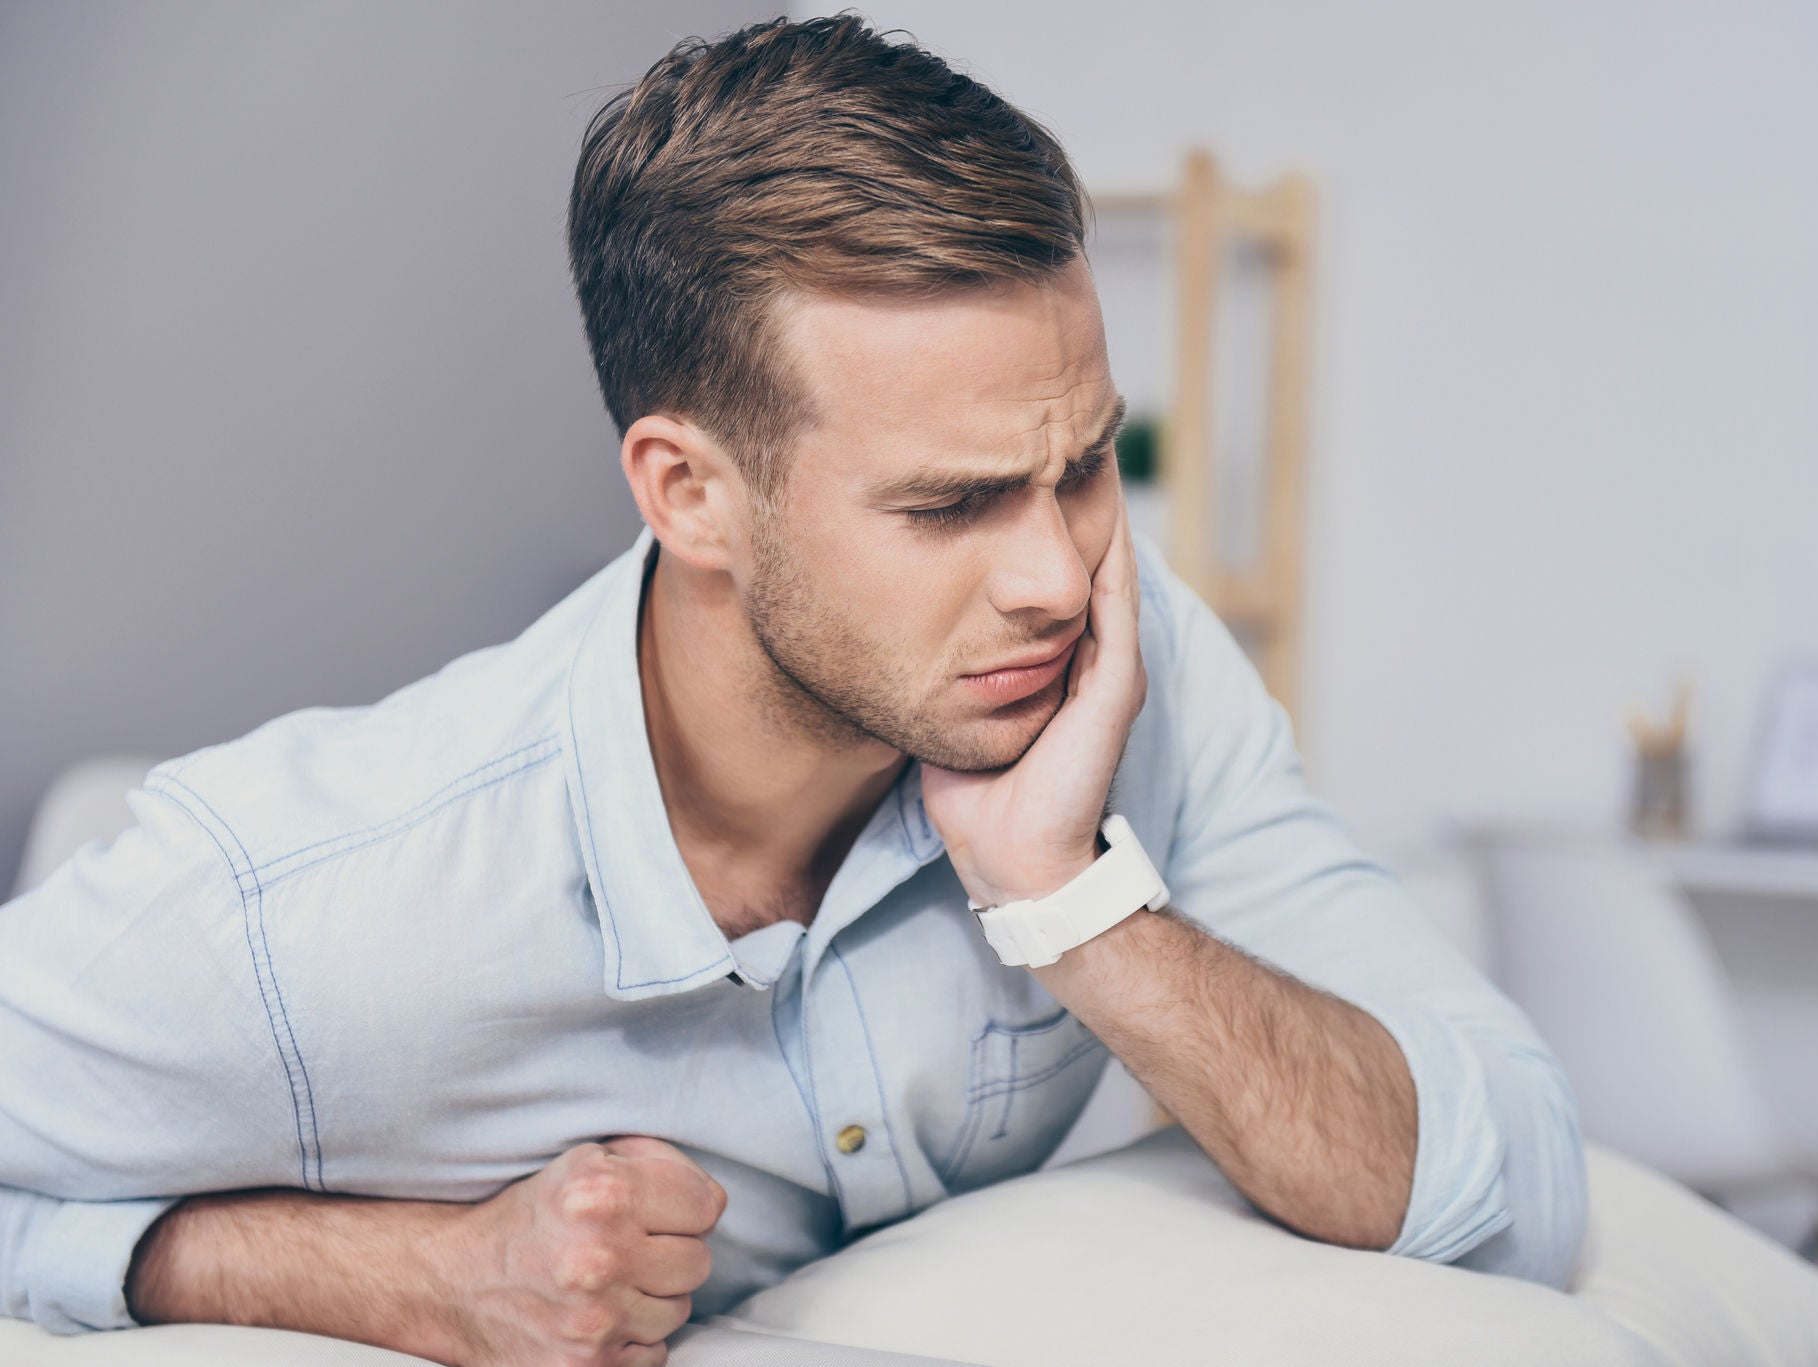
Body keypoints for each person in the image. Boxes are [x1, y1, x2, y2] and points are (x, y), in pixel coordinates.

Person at [0, 15, 1585, 1366]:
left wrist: (1077, 907)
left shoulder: (1123, 664)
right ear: (689, 494)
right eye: (950, 505)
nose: (1056, 570)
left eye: (1087, 465)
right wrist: (391, 1278)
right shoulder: (296, 901)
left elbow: (1512, 1181)